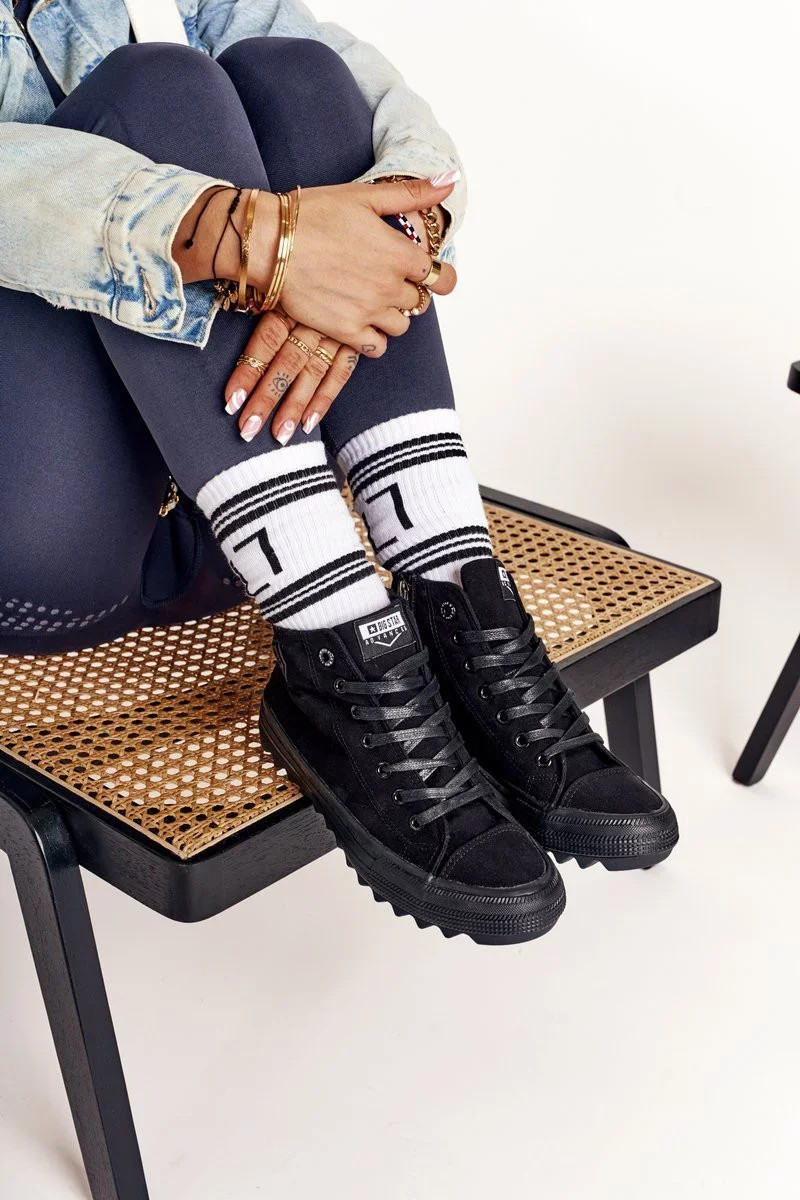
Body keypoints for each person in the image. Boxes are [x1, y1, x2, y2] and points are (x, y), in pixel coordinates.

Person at [0, 0, 678, 944]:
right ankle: (335, 631)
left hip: (223, 513)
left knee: (299, 77)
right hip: (43, 550)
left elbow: (355, 82)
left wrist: (384, 237)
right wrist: (246, 236)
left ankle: (448, 591)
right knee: (155, 87)